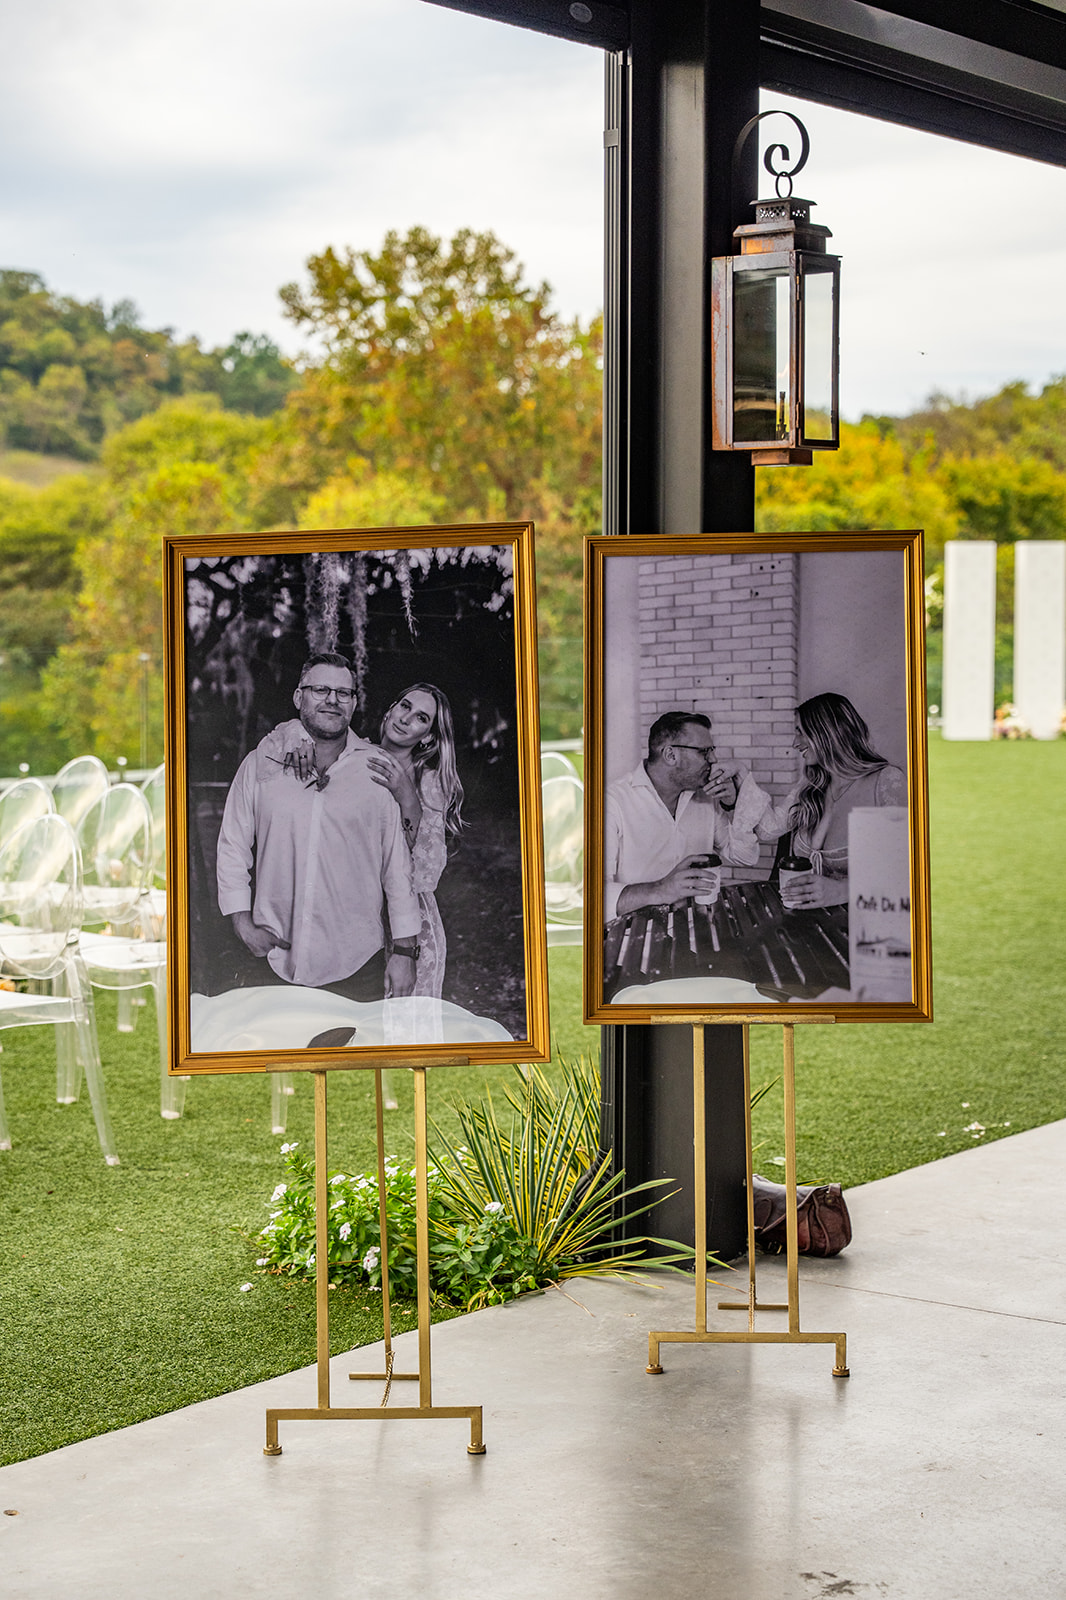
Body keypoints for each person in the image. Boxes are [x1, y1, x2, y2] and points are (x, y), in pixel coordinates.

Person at [215, 652, 421, 1001]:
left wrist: (404, 953)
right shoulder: (262, 764)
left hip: (356, 964)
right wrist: (242, 923)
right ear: (299, 697)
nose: (332, 700)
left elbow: (397, 870)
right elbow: (232, 846)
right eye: (321, 689)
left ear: (354, 704)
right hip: (272, 957)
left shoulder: (378, 771)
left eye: (344, 693)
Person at [258, 682, 464, 997]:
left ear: (429, 737)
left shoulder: (429, 782)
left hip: (406, 927)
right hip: (348, 913)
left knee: (397, 1029)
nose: (407, 718)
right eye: (405, 706)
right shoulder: (352, 755)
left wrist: (407, 797)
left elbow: (426, 873)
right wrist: (294, 734)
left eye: (422, 718)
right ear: (392, 708)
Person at [604, 710, 768, 920]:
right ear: (671, 755)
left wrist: (733, 805)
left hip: (699, 931)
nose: (714, 759)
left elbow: (746, 857)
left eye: (712, 751)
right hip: (637, 942)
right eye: (704, 752)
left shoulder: (706, 798)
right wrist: (661, 890)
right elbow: (593, 895)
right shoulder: (612, 802)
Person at [756, 691, 907, 909]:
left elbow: (914, 869)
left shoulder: (886, 781)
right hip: (808, 927)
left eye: (800, 731)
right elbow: (765, 830)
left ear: (826, 731)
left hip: (866, 931)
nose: (794, 743)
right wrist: (740, 782)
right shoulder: (809, 785)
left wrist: (844, 890)